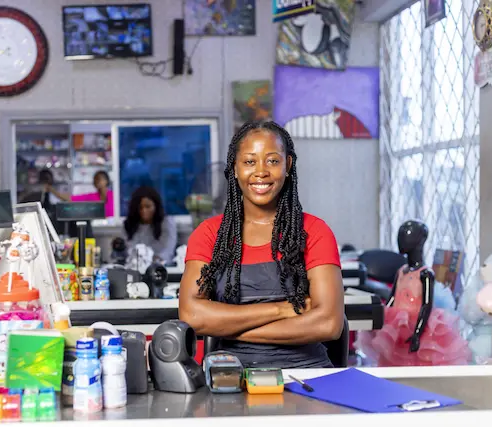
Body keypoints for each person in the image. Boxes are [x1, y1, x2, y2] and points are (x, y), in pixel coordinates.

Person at [179, 120, 344, 369]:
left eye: (273, 161)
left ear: (287, 165)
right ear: (235, 168)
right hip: (230, 376)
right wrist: (280, 310)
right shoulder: (210, 234)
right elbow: (192, 315)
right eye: (249, 161)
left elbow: (329, 324)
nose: (261, 172)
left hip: (307, 375)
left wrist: (227, 328)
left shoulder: (314, 231)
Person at [121, 186, 177, 264]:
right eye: (140, 207)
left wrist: (154, 261)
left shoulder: (167, 223)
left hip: (162, 269)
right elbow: (129, 251)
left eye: (148, 206)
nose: (144, 211)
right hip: (135, 268)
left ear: (156, 206)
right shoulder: (128, 225)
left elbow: (168, 251)